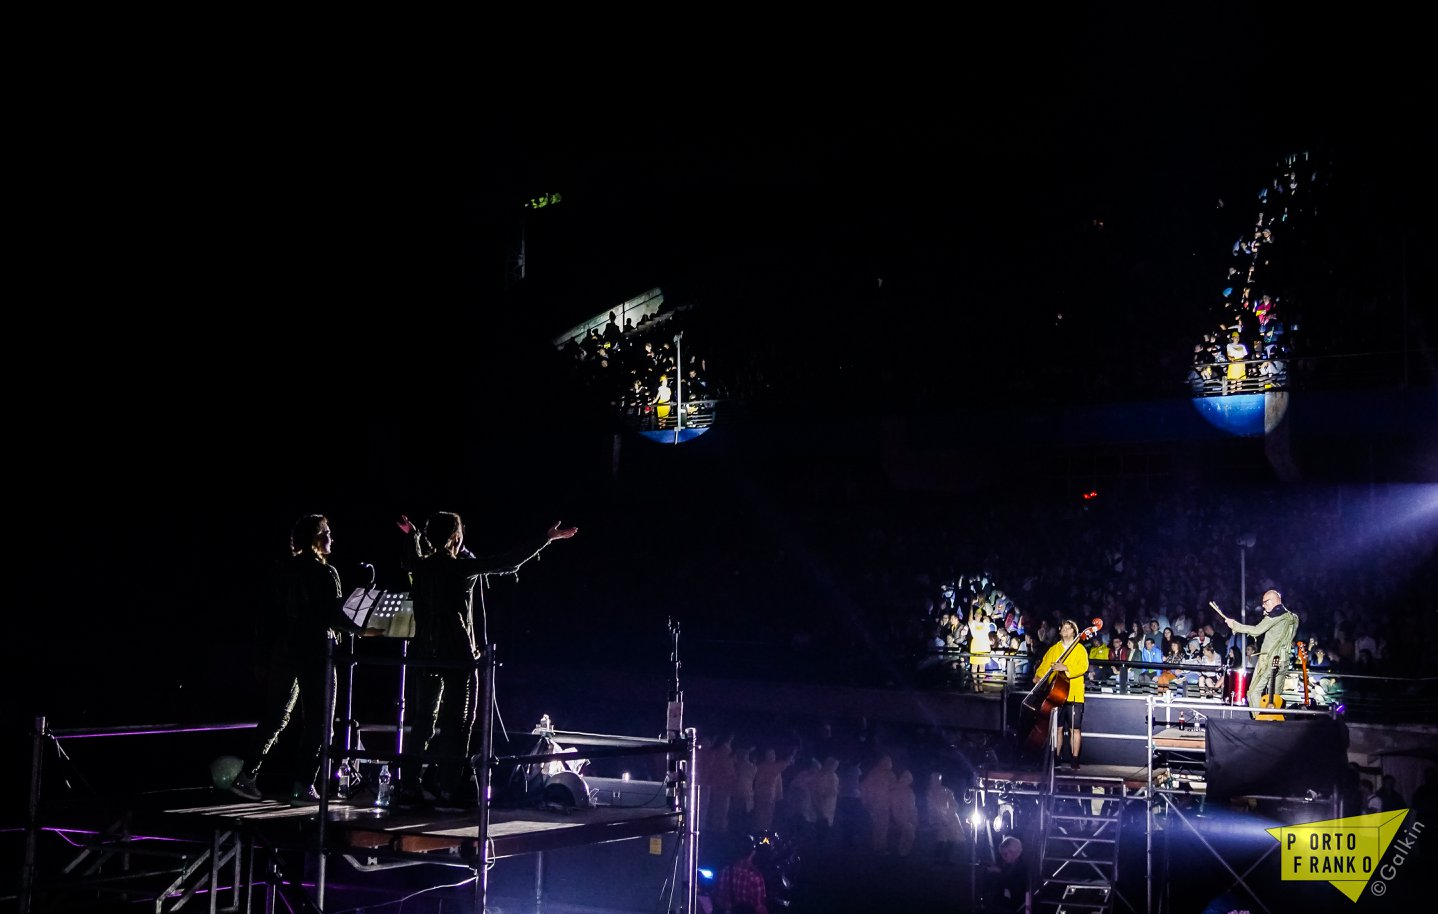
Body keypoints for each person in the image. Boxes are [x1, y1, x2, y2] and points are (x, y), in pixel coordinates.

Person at [403, 510, 578, 803]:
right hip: (457, 654)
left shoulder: (420, 567)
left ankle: (408, 784)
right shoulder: (460, 568)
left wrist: (413, 536)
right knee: (458, 722)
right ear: (455, 537)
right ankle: (448, 787)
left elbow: (413, 557)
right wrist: (545, 539)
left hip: (425, 653)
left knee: (423, 720)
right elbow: (507, 562)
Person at [230, 514, 365, 803]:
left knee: (276, 716)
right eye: (327, 533)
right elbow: (333, 615)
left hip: (284, 650)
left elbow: (266, 618)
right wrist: (363, 629)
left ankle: (247, 775)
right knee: (320, 721)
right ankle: (303, 784)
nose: (331, 538)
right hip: (316, 651)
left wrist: (261, 657)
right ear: (316, 538)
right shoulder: (326, 573)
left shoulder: (282, 571)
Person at [1212, 589, 1299, 712]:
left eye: (1265, 602)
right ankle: (1275, 719)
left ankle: (1259, 718)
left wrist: (1235, 625)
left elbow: (1256, 631)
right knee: (1276, 697)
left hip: (1269, 660)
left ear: (1274, 600)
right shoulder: (1293, 618)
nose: (1263, 605)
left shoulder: (1273, 617)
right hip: (1283, 661)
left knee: (1253, 692)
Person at [1032, 619, 1090, 769]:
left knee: (1074, 728)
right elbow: (1045, 665)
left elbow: (1083, 666)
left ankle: (1075, 759)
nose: (1065, 629)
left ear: (1074, 632)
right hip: (1056, 694)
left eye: (1068, 628)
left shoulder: (1080, 649)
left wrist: (1065, 667)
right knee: (1057, 728)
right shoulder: (1054, 649)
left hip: (1074, 694)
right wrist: (1038, 676)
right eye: (1063, 627)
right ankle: (1056, 758)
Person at [712, 838, 768, 914]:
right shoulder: (755, 878)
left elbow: (717, 899)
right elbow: (759, 907)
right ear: (751, 854)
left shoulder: (724, 872)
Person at [981, 835, 1027, 913]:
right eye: (1002, 854)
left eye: (1006, 854)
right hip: (1003, 903)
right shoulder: (1005, 864)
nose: (1003, 857)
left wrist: (1000, 873)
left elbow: (1016, 887)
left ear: (1015, 852)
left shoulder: (1023, 867)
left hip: (1017, 906)